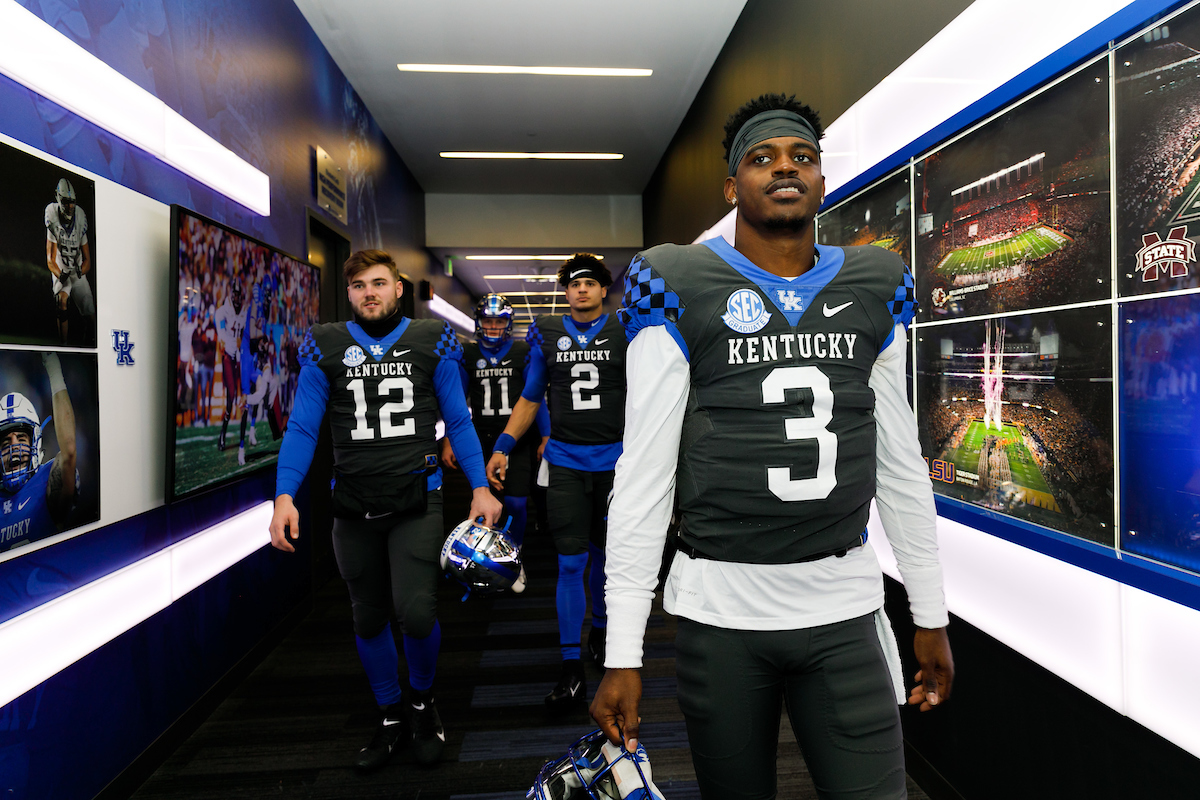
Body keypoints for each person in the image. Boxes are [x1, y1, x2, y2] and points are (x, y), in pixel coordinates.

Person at [591, 93, 954, 800]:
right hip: (721, 611)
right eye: (761, 158)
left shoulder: (875, 282)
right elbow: (644, 474)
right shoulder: (679, 280)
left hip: (845, 603)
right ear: (732, 186)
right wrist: (622, 650)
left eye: (802, 157)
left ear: (822, 180)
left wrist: (930, 613)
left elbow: (900, 465)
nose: (784, 169)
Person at [269, 249, 501, 772]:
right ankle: (390, 712)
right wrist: (285, 496)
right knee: (367, 614)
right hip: (352, 500)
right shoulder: (323, 346)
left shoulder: (428, 340)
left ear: (398, 289)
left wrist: (480, 486)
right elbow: (303, 428)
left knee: (416, 613)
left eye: (379, 283)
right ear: (347, 293)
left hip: (417, 496)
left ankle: (421, 702)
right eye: (357, 285)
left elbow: (459, 422)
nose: (368, 292)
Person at [486, 254, 627, 710]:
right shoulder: (547, 333)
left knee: (607, 558)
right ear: (565, 292)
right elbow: (531, 397)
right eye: (574, 283)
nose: (582, 289)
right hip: (566, 462)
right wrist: (504, 445)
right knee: (570, 562)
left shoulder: (627, 328)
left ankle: (602, 632)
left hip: (617, 463)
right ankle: (570, 668)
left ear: (604, 290)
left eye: (590, 283)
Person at [443, 293, 549, 548]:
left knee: (516, 501)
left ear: (508, 323)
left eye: (499, 322)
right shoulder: (466, 353)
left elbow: (536, 399)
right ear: (479, 322)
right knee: (483, 497)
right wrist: (448, 438)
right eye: (487, 321)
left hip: (518, 436)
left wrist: (546, 435)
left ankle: (515, 549)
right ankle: (485, 550)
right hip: (480, 435)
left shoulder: (523, 351)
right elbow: (456, 401)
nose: (492, 327)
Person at [0, 353, 78, 552]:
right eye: (6, 441)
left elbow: (69, 452)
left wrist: (53, 369)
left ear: (35, 441)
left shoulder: (46, 481)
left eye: (21, 438)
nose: (13, 447)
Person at [44, 178, 95, 346]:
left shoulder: (80, 217)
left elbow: (87, 259)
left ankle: (91, 340)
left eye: (72, 203)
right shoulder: (52, 214)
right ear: (58, 199)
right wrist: (60, 274)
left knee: (90, 312)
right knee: (62, 300)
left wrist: (81, 271)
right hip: (61, 266)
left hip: (76, 268)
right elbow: (50, 259)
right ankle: (63, 345)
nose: (70, 207)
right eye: (66, 202)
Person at [214, 280, 250, 465]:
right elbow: (220, 330)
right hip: (228, 356)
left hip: (239, 358)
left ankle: (245, 435)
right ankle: (223, 434)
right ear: (230, 294)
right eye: (234, 294)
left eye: (239, 295)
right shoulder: (223, 311)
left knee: (243, 396)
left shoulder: (243, 313)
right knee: (231, 398)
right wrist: (230, 343)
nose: (236, 298)